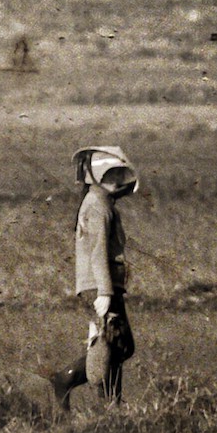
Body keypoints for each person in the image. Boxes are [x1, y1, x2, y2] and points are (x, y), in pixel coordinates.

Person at [50, 146, 139, 412]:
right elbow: (98, 252)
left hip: (102, 285)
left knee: (118, 344)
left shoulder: (98, 202)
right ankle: (106, 404)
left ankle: (102, 399)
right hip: (101, 286)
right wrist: (104, 292)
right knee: (113, 344)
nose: (120, 182)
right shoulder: (99, 205)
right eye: (115, 175)